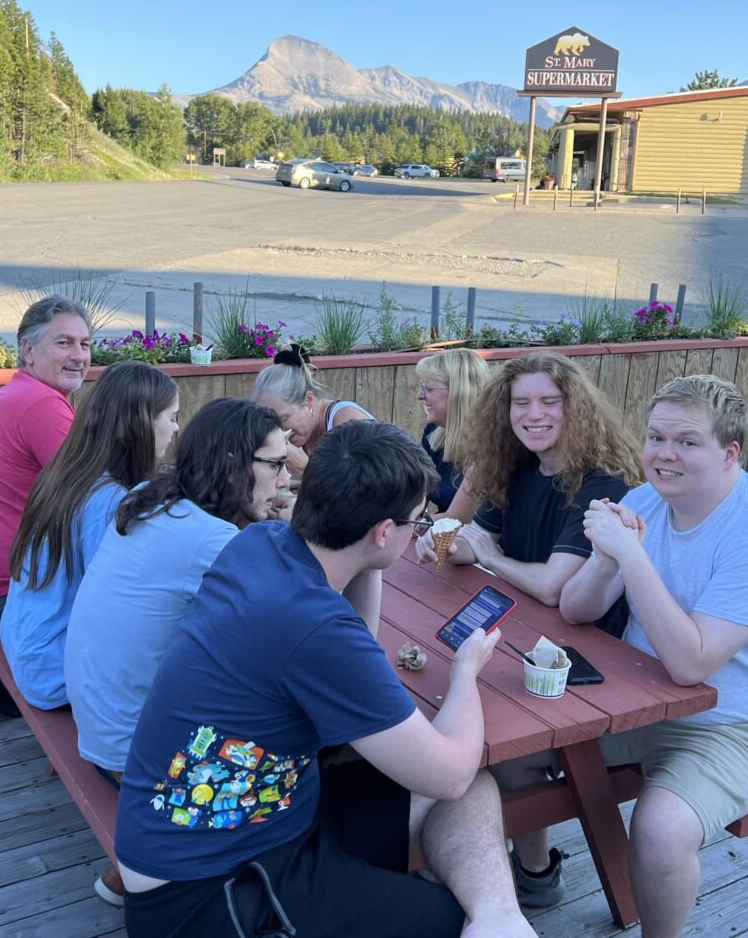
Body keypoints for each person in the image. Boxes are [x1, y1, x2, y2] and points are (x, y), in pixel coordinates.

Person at [114, 421, 537, 938]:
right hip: (208, 891)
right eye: (415, 522)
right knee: (448, 905)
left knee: (475, 788)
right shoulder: (311, 625)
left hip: (267, 821)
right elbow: (445, 771)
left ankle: (500, 919)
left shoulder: (264, 544)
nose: (418, 530)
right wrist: (466, 671)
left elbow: (358, 648)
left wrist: (372, 557)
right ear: (385, 530)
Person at [416, 350, 643, 907]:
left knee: (489, 739)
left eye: (548, 401)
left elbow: (553, 587)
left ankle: (531, 871)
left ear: (576, 408)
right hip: (521, 636)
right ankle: (522, 867)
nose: (533, 414)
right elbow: (472, 542)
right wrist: (445, 540)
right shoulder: (516, 466)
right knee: (439, 694)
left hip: (590, 663)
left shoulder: (599, 482)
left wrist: (487, 554)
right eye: (522, 403)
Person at [560, 375, 748, 938]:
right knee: (512, 755)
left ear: (729, 452)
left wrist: (631, 558)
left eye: (687, 442)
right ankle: (535, 873)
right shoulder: (646, 499)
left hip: (727, 724)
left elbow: (693, 665)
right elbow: (576, 610)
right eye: (656, 437)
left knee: (661, 833)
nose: (665, 454)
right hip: (635, 704)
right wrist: (602, 559)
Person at [66, 397, 291, 778]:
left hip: (102, 730)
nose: (285, 480)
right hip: (139, 759)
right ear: (234, 465)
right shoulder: (210, 538)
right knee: (303, 724)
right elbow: (303, 632)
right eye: (277, 465)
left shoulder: (153, 499)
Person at [0, 361, 179, 712]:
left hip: (26, 646)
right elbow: (117, 608)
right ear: (140, 424)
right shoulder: (109, 500)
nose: (175, 429)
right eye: (171, 417)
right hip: (53, 673)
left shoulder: (70, 471)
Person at [0, 295, 92, 716]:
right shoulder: (41, 405)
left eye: (84, 344)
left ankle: (4, 690)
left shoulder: (20, 394)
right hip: (3, 595)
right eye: (64, 343)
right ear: (28, 350)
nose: (79, 356)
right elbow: (95, 495)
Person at [252, 342, 373, 479]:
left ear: (309, 401)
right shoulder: (301, 436)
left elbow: (363, 492)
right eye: (271, 423)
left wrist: (304, 469)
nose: (279, 430)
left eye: (284, 419)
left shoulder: (348, 424)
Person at [415, 348, 489, 518]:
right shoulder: (434, 433)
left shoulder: (491, 445)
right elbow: (415, 495)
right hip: (439, 535)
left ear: (459, 393)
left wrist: (404, 527)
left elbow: (460, 519)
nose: (420, 395)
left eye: (428, 389)